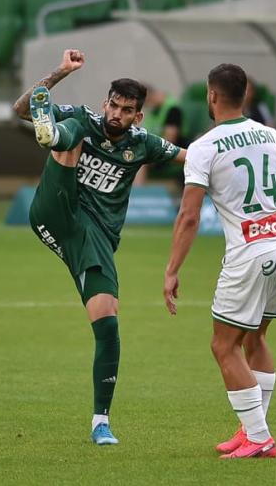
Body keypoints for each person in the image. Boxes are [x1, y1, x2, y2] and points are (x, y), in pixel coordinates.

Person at [12, 49, 185, 445]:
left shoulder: (143, 144)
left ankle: (100, 423)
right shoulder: (89, 118)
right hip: (56, 209)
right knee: (74, 127)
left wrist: (256, 145)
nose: (116, 114)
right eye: (113, 105)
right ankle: (51, 133)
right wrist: (60, 72)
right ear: (105, 101)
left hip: (96, 238)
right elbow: (21, 108)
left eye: (127, 110)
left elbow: (193, 157)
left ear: (138, 116)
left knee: (108, 323)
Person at [163, 63, 276, 459]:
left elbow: (189, 216)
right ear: (246, 94)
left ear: (211, 96)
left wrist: (172, 270)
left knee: (223, 345)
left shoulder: (203, 148)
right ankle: (253, 429)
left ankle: (259, 436)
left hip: (249, 253)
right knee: (255, 337)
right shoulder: (270, 135)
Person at [134, 85, 190, 185]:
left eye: (146, 101)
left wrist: (149, 151)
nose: (146, 105)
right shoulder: (154, 112)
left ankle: (137, 196)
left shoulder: (172, 110)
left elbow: (170, 140)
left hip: (170, 152)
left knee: (140, 161)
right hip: (154, 149)